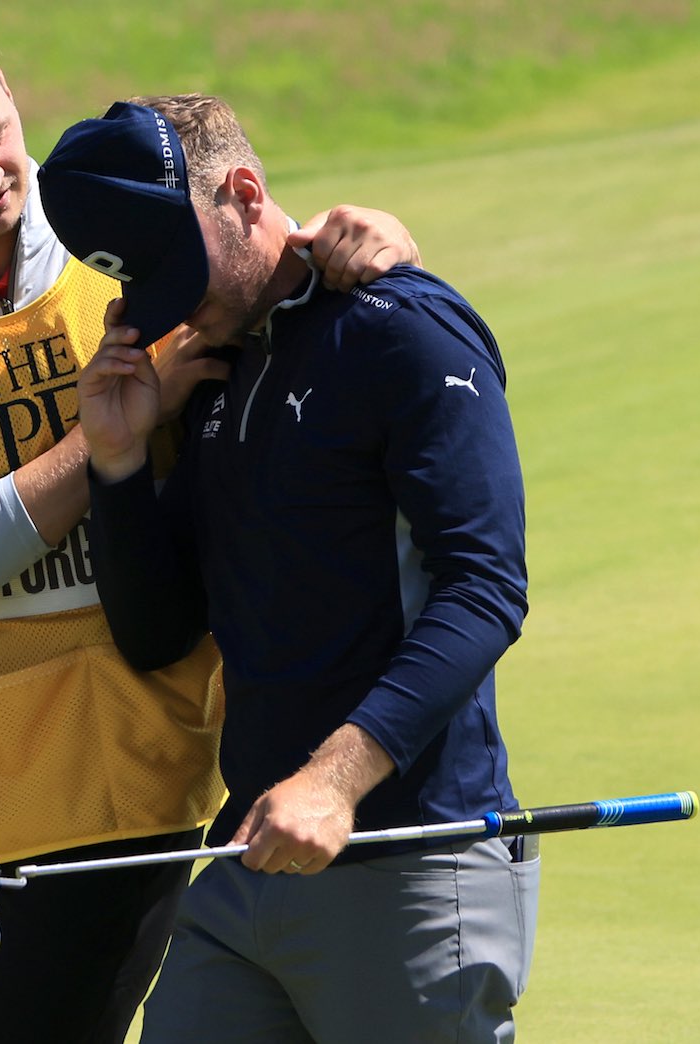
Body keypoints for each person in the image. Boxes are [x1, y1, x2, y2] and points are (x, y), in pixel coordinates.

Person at [0, 10, 424, 1042]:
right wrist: (114, 436)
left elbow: (274, 247)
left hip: (134, 758)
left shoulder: (133, 234)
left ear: (7, 90)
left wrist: (376, 237)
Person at [50, 94, 539, 1042]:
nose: (175, 305)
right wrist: (116, 464)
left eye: (182, 269)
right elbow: (158, 633)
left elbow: (486, 586)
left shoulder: (404, 329)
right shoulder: (218, 369)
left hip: (409, 855)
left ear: (244, 193)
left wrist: (332, 780)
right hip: (253, 864)